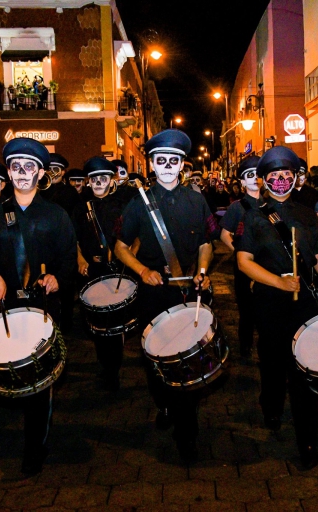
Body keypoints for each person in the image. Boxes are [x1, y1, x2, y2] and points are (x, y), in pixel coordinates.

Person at [0, 138, 77, 475]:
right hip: (7, 306)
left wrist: (57, 278)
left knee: (39, 384)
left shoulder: (56, 215)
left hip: (44, 306)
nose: (22, 172)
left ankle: (34, 447)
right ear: (9, 173)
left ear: (41, 173)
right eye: (16, 167)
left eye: (30, 166)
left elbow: (69, 260)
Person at [237, 146, 318, 469]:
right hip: (270, 303)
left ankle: (307, 441)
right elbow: (244, 262)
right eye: (275, 176)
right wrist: (278, 282)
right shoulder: (253, 217)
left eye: (287, 175)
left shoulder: (306, 214)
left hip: (304, 304)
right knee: (272, 363)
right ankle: (270, 405)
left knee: (304, 369)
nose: (282, 180)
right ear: (264, 180)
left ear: (295, 179)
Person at [114, 129, 215, 462]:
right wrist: (143, 271)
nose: (168, 165)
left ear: (182, 163)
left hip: (187, 291)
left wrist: (202, 269)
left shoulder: (197, 199)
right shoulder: (138, 202)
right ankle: (164, 403)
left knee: (186, 359)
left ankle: (187, 433)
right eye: (161, 160)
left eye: (174, 160)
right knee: (154, 359)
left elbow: (205, 243)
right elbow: (121, 247)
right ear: (152, 164)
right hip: (153, 293)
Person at [72, 157, 127, 390]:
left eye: (103, 178)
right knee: (95, 321)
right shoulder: (79, 207)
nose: (98, 182)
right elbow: (72, 238)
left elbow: (133, 237)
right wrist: (80, 259)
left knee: (114, 322)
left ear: (111, 180)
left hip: (116, 270)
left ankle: (113, 369)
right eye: (94, 178)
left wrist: (127, 261)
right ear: (88, 181)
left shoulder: (120, 206)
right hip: (92, 271)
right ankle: (105, 364)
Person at [219, 155, 262, 357]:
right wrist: (240, 253)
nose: (255, 179)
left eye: (258, 174)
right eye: (249, 175)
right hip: (245, 267)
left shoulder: (271, 202)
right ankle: (245, 346)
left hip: (268, 265)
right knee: (246, 309)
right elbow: (224, 234)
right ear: (243, 182)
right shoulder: (237, 207)